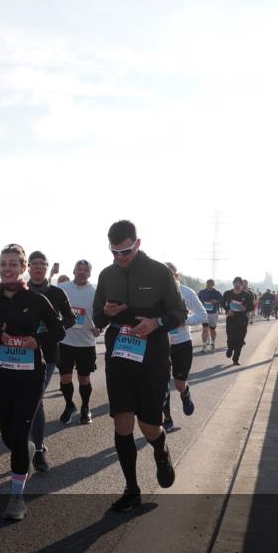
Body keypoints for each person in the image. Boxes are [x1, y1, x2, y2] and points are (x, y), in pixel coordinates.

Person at [93, 220, 187, 513]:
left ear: (138, 243)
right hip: (119, 356)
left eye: (126, 251)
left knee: (148, 426)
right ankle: (131, 490)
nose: (120, 258)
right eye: (115, 252)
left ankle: (161, 449)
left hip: (153, 357)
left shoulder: (159, 272)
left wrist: (156, 323)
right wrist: (105, 313)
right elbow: (97, 318)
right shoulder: (107, 274)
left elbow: (180, 312)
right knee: (122, 422)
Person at [0, 244, 64, 521]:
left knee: (22, 427)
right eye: (3, 263)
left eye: (13, 264)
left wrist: (37, 340)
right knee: (8, 436)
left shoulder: (37, 300)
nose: (7, 268)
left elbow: (58, 330)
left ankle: (16, 497)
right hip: (2, 374)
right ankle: (24, 449)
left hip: (30, 375)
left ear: (23, 268)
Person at [26, 251, 76, 472]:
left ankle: (38, 450)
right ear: (28, 267)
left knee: (36, 399)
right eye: (34, 264)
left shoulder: (57, 292)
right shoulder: (19, 291)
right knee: (26, 401)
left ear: (46, 268)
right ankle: (24, 443)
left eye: (41, 264)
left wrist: (54, 329)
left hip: (47, 353)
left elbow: (70, 318)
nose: (38, 267)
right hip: (20, 355)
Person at [162, 263, 208, 429]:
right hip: (161, 345)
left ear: (177, 275)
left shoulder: (187, 292)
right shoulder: (155, 293)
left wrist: (184, 321)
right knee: (162, 384)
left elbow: (203, 315)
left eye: (170, 274)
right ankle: (167, 419)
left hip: (182, 343)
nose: (167, 277)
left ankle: (185, 395)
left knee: (179, 383)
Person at [57, 260, 101, 425]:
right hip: (65, 341)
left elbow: (102, 314)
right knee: (65, 378)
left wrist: (100, 327)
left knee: (84, 379)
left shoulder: (95, 292)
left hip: (86, 343)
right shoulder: (62, 288)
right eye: (79, 269)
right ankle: (69, 405)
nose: (82, 272)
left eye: (85, 270)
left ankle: (85, 407)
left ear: (90, 273)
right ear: (74, 271)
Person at [223, 276, 256, 365]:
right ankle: (230, 349)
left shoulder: (246, 295)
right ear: (233, 284)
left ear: (242, 285)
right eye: (235, 283)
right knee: (231, 338)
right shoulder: (227, 293)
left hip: (242, 319)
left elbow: (252, 306)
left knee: (240, 340)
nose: (237, 285)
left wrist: (245, 308)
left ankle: (236, 359)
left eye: (239, 283)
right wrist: (227, 310)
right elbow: (223, 303)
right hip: (231, 318)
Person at [197, 279, 223, 353]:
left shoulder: (217, 293)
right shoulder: (202, 292)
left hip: (213, 313)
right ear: (206, 284)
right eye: (208, 283)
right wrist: (200, 306)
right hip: (204, 313)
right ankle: (204, 345)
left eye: (211, 284)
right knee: (205, 329)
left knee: (212, 330)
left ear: (213, 284)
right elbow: (197, 301)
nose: (209, 285)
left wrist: (216, 301)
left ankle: (212, 344)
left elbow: (222, 300)